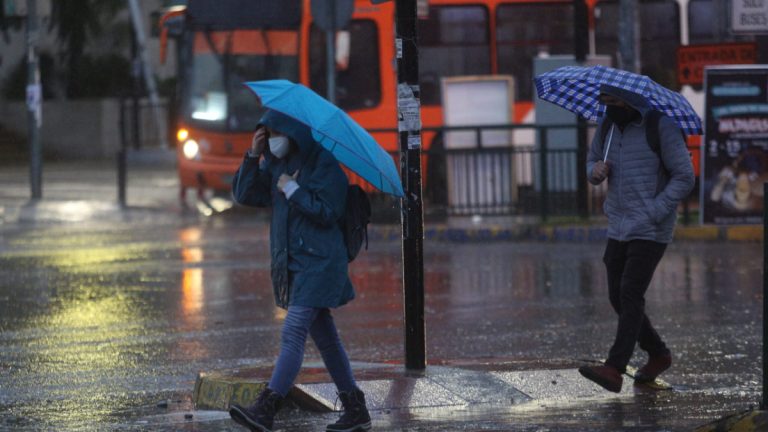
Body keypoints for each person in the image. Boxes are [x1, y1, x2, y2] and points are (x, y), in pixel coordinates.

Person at [228, 109, 371, 432]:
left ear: (293, 132)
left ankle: (266, 408)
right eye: (266, 134)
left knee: (293, 333)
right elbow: (245, 194)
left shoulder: (325, 164)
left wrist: (294, 191)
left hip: (320, 263)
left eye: (275, 133)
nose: (272, 140)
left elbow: (329, 210)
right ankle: (355, 408)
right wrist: (253, 155)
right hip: (295, 264)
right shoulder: (278, 163)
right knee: (326, 339)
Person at [578, 84, 695, 393]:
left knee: (630, 291)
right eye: (603, 101)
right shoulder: (608, 126)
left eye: (613, 101)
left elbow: (685, 175)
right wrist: (595, 172)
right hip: (618, 223)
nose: (607, 107)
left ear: (629, 101)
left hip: (651, 226)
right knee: (617, 295)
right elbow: (590, 162)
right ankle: (658, 353)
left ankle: (615, 367)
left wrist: (656, 210)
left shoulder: (661, 126)